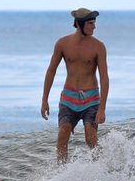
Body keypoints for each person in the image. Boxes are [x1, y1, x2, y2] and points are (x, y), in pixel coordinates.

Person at [41, 8, 110, 163]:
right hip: (68, 98)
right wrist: (44, 100)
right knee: (63, 133)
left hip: (91, 99)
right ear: (79, 24)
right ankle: (61, 173)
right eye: (90, 23)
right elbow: (51, 71)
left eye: (94, 23)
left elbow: (104, 78)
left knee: (90, 138)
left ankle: (102, 172)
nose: (94, 27)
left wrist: (102, 108)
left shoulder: (98, 46)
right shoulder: (62, 43)